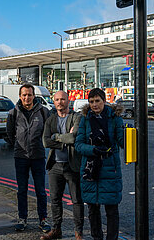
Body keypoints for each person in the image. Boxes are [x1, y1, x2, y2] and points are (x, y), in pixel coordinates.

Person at [75, 88, 124, 240]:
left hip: (110, 168)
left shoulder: (115, 118)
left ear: (104, 101)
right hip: (90, 168)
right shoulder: (85, 119)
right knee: (92, 209)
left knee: (111, 209)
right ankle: (97, 238)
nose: (94, 105)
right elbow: (78, 144)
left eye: (97, 101)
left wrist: (132, 134)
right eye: (91, 102)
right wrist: (94, 149)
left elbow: (122, 142)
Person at [6, 83, 51, 233]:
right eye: (24, 95)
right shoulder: (13, 113)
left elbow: (48, 133)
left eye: (29, 95)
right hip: (21, 157)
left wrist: (39, 145)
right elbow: (10, 134)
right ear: (20, 96)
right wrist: (19, 147)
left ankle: (43, 219)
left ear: (34, 96)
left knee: (41, 190)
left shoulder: (44, 112)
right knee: (22, 190)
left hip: (38, 156)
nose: (27, 97)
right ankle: (22, 218)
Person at [41, 91, 84, 240]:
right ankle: (56, 229)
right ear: (54, 101)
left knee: (77, 200)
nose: (60, 102)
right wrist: (63, 141)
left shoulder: (76, 117)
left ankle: (78, 232)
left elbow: (73, 137)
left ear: (68, 100)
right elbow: (46, 142)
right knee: (54, 199)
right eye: (57, 100)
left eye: (63, 99)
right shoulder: (50, 120)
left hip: (72, 164)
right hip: (55, 166)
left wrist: (57, 137)